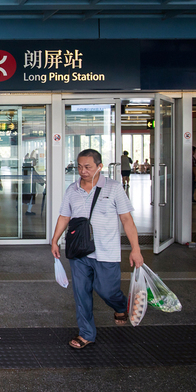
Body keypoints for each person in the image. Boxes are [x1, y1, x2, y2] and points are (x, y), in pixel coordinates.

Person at [51, 149, 143, 350]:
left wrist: (135, 249)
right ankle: (86, 334)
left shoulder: (114, 188)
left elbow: (126, 219)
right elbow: (64, 217)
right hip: (79, 252)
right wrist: (55, 240)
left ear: (99, 166)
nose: (82, 171)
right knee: (81, 293)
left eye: (88, 167)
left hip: (106, 251)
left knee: (107, 290)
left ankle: (120, 306)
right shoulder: (72, 189)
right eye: (80, 166)